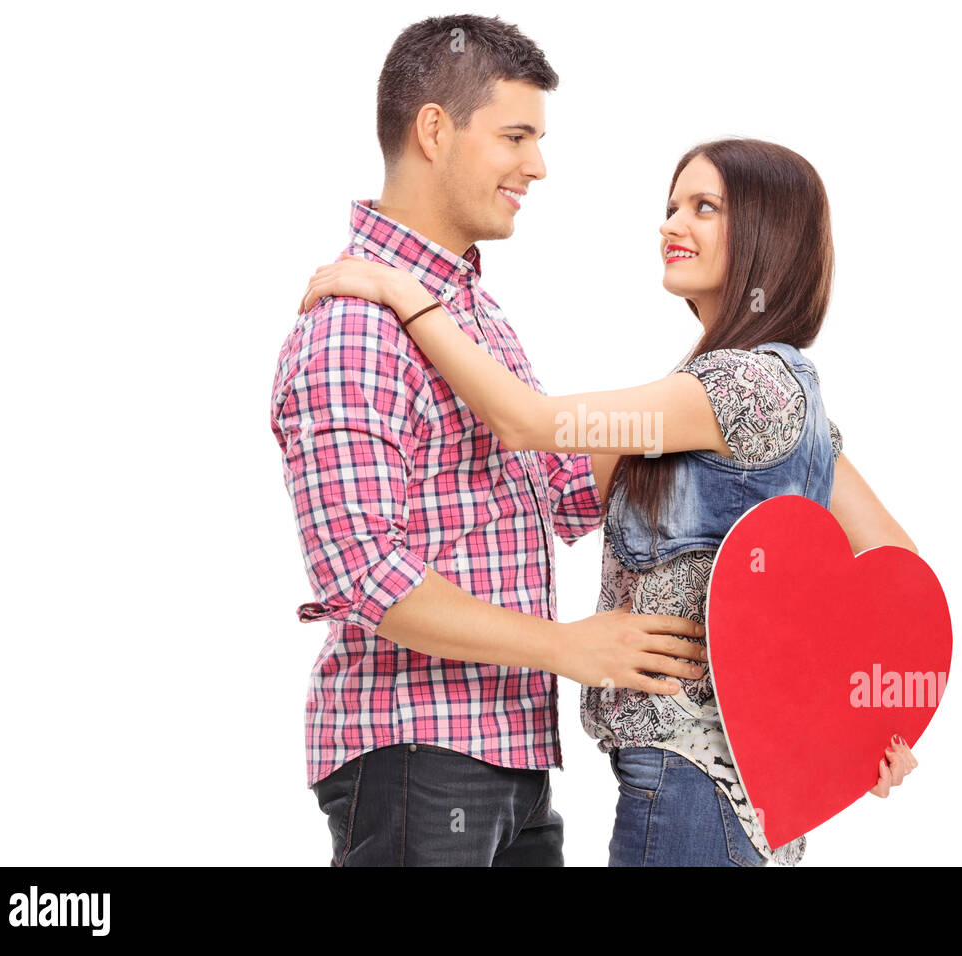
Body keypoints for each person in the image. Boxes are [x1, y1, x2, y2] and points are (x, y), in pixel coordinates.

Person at [299, 137, 923, 866]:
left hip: (693, 783)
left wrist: (408, 296)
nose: (671, 224)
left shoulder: (739, 390)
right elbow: (891, 563)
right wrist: (858, 719)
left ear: (767, 233)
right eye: (670, 206)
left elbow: (526, 422)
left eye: (704, 207)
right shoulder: (771, 398)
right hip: (746, 796)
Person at [270, 14, 709, 867]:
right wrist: (569, 647)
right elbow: (363, 572)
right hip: (415, 753)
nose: (537, 165)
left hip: (507, 756)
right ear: (435, 129)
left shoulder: (467, 317)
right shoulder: (355, 329)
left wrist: (706, 387)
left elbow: (562, 495)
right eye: (516, 135)